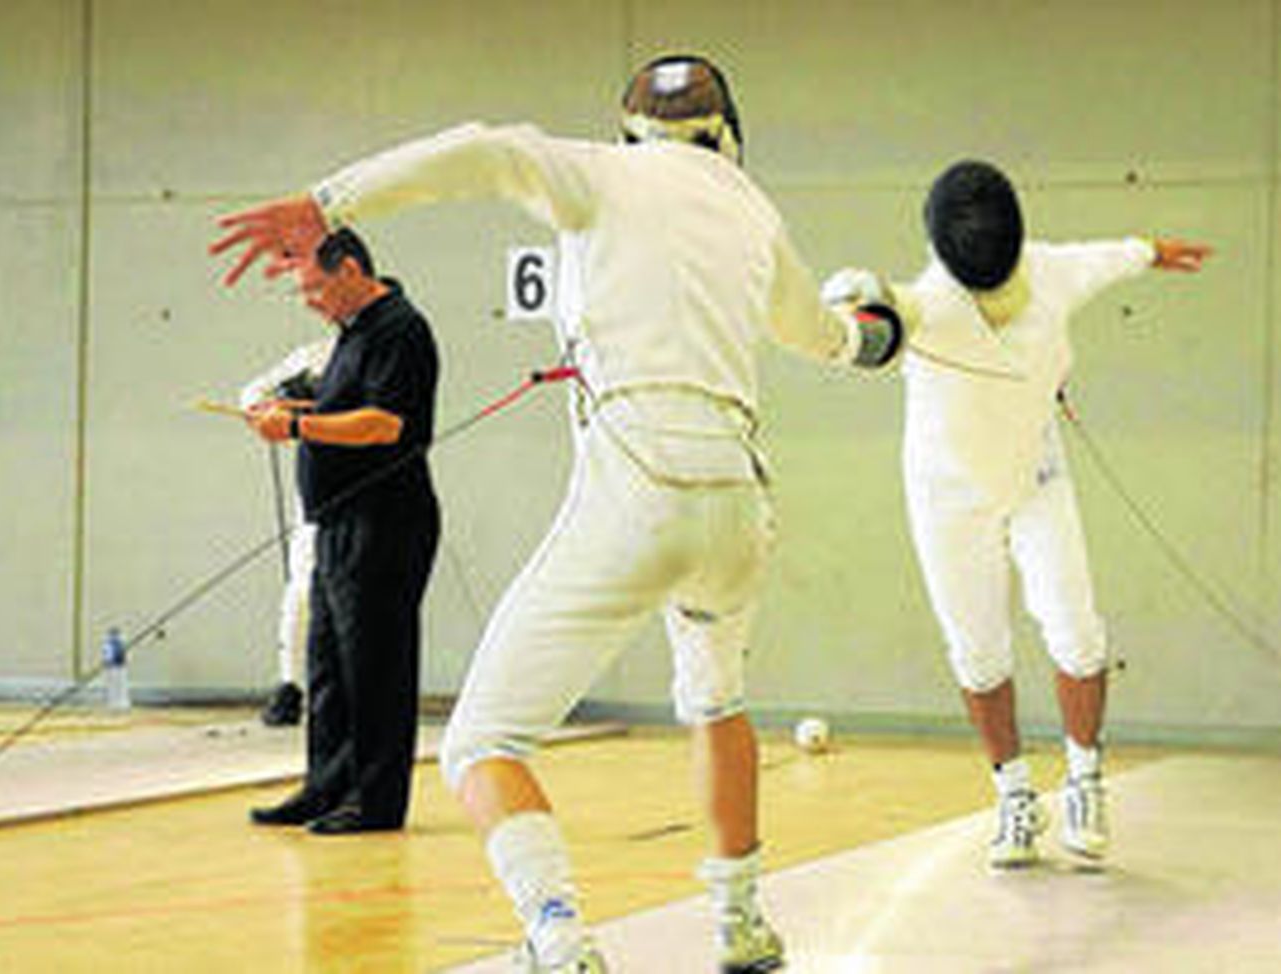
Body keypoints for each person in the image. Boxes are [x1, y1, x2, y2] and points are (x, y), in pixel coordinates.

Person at [211, 54, 908, 974]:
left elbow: (482, 150)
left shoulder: (599, 171)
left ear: (631, 129)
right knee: (716, 699)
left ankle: (559, 938)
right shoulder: (751, 209)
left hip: (637, 492)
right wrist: (879, 332)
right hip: (737, 504)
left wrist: (329, 201)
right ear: (728, 134)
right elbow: (830, 338)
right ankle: (741, 924)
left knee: (483, 743)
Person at [824, 159, 1210, 870]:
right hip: (946, 497)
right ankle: (1015, 797)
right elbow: (874, 333)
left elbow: (1106, 257)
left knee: (1078, 631)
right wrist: (847, 315)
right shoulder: (923, 304)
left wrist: (1154, 251)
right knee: (977, 651)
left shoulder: (1048, 270)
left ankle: (1085, 782)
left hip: (1036, 475)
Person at [239, 228, 440, 836]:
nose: (310, 302)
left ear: (350, 269)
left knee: (375, 666)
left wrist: (297, 430)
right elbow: (344, 408)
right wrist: (296, 410)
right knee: (328, 665)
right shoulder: (352, 334)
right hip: (337, 522)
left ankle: (375, 802)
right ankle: (326, 787)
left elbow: (384, 424)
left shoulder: (400, 329)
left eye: (315, 289)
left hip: (385, 523)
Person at [238, 336, 335, 726]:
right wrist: (282, 401)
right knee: (303, 588)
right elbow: (252, 395)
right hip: (318, 491)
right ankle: (290, 685)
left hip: (375, 494)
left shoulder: (389, 352)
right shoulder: (315, 355)